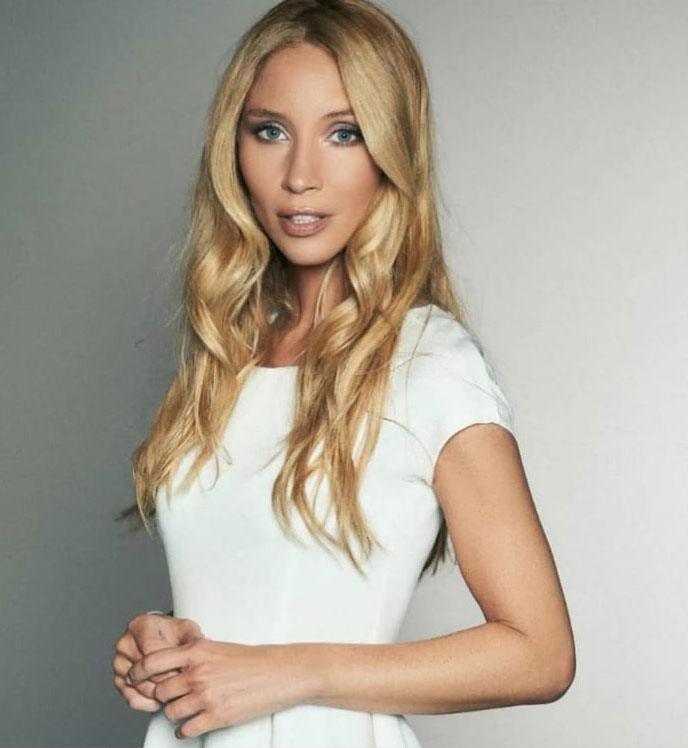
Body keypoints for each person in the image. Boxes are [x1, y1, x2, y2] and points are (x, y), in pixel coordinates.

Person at [111, 0, 575, 745]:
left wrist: (293, 672)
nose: (300, 176)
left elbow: (541, 654)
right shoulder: (225, 362)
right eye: (270, 131)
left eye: (344, 133)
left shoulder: (427, 363)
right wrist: (166, 643)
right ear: (233, 148)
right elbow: (259, 585)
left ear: (390, 150)